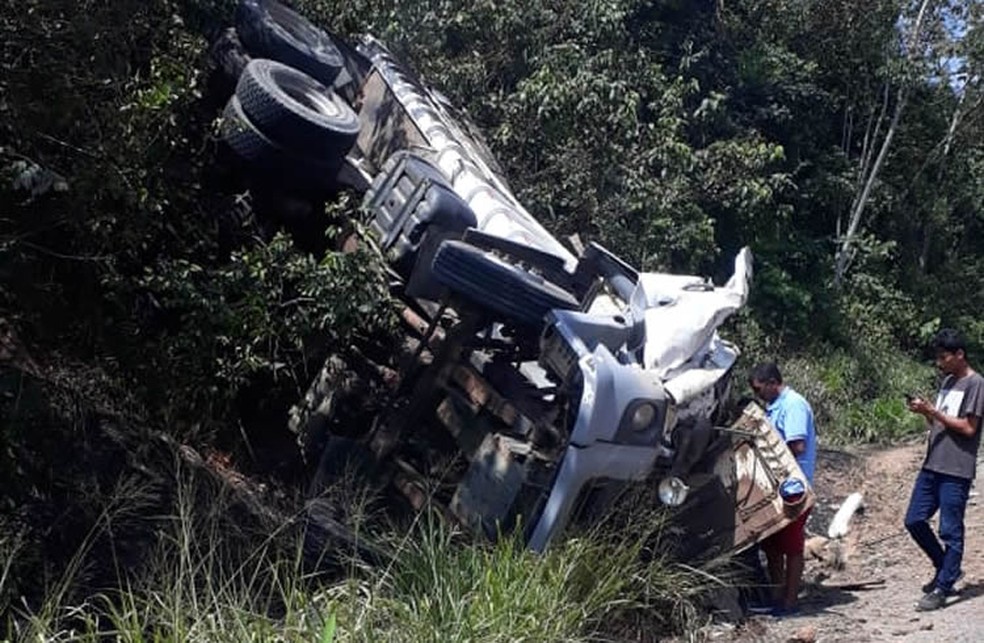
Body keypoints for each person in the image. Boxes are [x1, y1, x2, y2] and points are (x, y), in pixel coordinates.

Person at [904, 328, 984, 611]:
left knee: (950, 529)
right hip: (933, 463)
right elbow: (939, 423)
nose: (939, 363)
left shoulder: (976, 384)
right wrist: (926, 413)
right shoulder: (948, 382)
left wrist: (934, 412)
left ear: (959, 354)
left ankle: (943, 587)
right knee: (914, 519)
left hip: (956, 468)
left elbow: (969, 428)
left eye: (944, 357)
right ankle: (946, 568)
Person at [749, 362, 817, 615]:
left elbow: (796, 446)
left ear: (771, 383)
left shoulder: (793, 405)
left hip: (793, 487)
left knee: (791, 545)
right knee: (773, 544)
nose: (758, 395)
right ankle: (777, 596)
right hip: (777, 485)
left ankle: (790, 601)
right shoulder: (775, 406)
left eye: (759, 389)